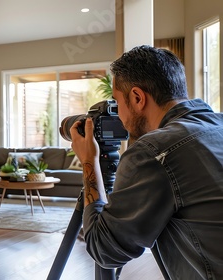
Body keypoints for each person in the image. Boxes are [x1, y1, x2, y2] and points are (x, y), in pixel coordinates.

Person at [69, 45, 223, 279]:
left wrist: (89, 161)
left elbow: (104, 250)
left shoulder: (154, 151)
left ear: (138, 97)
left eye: (117, 102)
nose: (118, 116)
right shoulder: (218, 125)